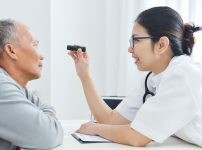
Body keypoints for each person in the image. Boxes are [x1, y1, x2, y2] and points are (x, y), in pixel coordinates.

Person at [68, 6, 202, 147]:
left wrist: (95, 128)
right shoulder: (153, 79)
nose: (130, 49)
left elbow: (137, 136)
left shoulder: (183, 76)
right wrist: (84, 75)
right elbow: (110, 119)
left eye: (136, 40)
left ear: (161, 45)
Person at [0, 19, 63, 150]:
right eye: (35, 45)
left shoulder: (14, 86)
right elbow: (49, 135)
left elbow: (47, 109)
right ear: (11, 50)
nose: (41, 56)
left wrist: (46, 120)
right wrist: (46, 121)